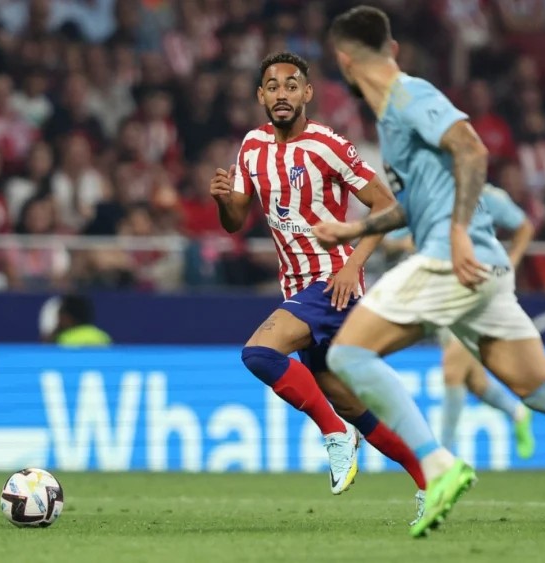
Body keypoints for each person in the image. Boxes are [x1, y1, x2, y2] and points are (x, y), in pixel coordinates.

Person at [316, 6, 545, 552]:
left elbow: (472, 147)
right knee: (544, 388)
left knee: (347, 356)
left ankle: (437, 463)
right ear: (391, 49)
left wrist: (461, 229)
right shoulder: (393, 115)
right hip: (484, 270)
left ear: (344, 62)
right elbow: (415, 204)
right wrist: (354, 227)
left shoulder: (410, 96)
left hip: (453, 257)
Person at [210, 52, 427, 500]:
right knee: (356, 407)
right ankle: (431, 478)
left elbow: (387, 206)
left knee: (259, 354)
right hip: (298, 288)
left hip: (332, 281)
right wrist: (221, 200)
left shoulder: (328, 144)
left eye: (292, 85)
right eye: (273, 86)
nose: (282, 94)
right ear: (261, 96)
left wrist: (353, 264)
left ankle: (334, 436)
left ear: (307, 93)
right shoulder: (251, 147)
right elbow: (234, 221)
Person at [390, 185, 537, 459]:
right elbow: (388, 238)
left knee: (452, 371)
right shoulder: (426, 195)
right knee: (476, 383)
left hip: (476, 290)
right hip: (441, 291)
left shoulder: (486, 195)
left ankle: (444, 457)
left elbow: (524, 226)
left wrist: (511, 261)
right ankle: (517, 412)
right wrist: (404, 242)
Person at [40, 294, 112, 346]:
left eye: (60, 315)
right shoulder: (103, 336)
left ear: (68, 317)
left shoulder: (63, 340)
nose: (59, 320)